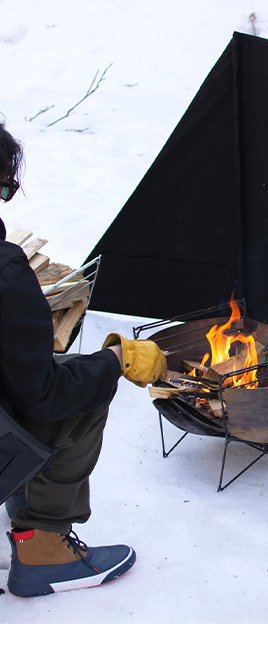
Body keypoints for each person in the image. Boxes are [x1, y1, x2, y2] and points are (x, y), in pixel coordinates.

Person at [0, 119, 167, 597]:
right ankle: (41, 548)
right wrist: (114, 360)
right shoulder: (5, 275)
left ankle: (22, 489)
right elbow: (45, 398)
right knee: (82, 393)